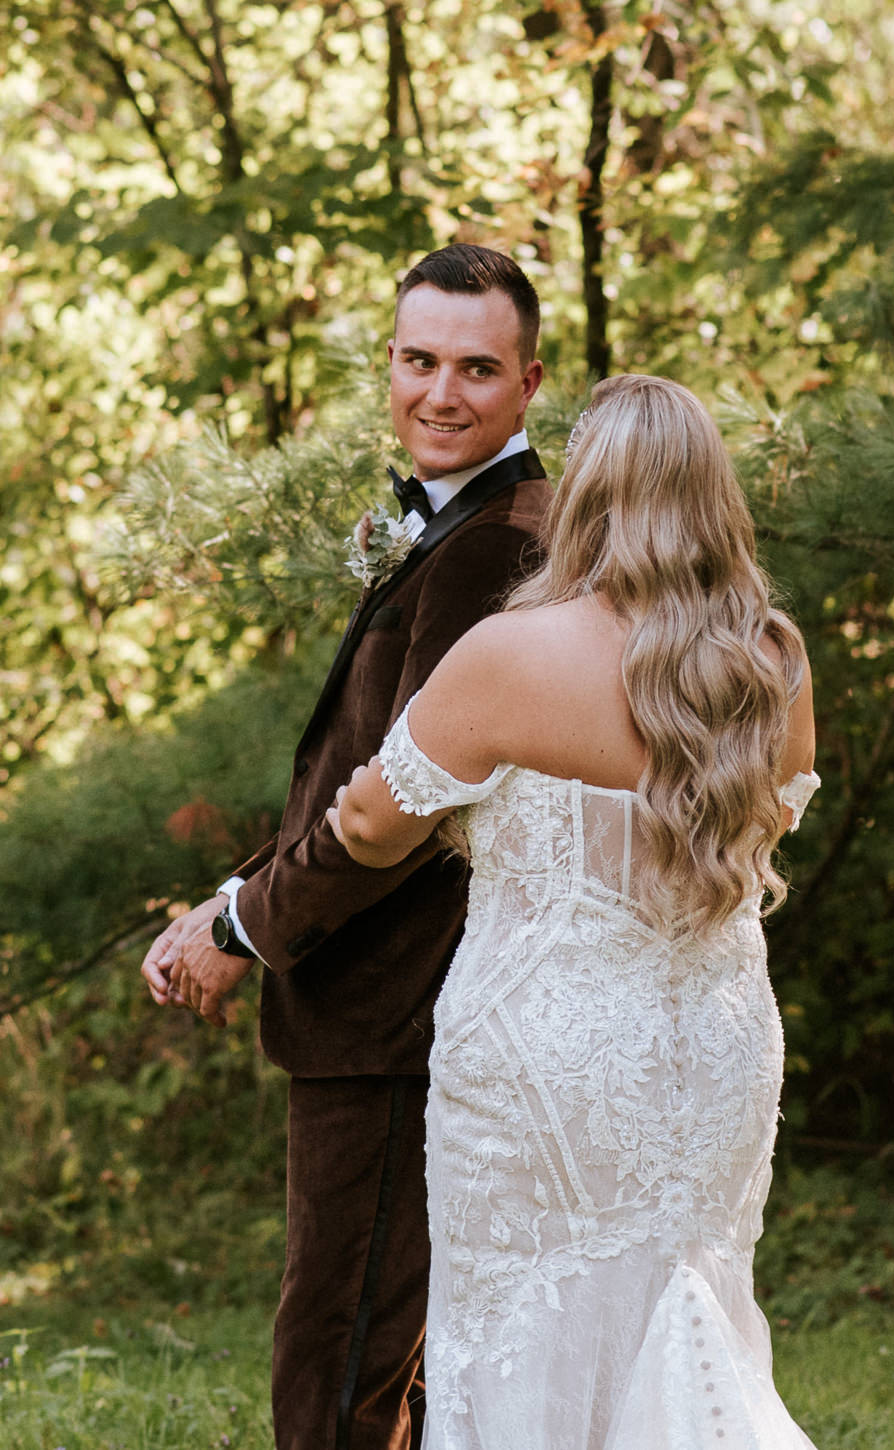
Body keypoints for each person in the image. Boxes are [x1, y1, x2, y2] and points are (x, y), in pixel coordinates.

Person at [328, 374, 821, 1450]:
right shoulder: (772, 661)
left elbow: (371, 825)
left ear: (584, 494)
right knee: (693, 1317)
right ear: (712, 496)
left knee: (526, 1335)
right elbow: (761, 833)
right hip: (714, 1050)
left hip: (544, 1055)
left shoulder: (511, 652)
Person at [140, 243, 551, 1450]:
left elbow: (406, 816)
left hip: (398, 1007)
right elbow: (360, 760)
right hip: (379, 1004)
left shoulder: (493, 542)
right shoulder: (450, 520)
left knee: (341, 1360)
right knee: (374, 1354)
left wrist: (240, 931)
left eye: (476, 367)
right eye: (418, 360)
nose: (441, 392)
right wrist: (232, 889)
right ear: (388, 361)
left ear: (530, 381)